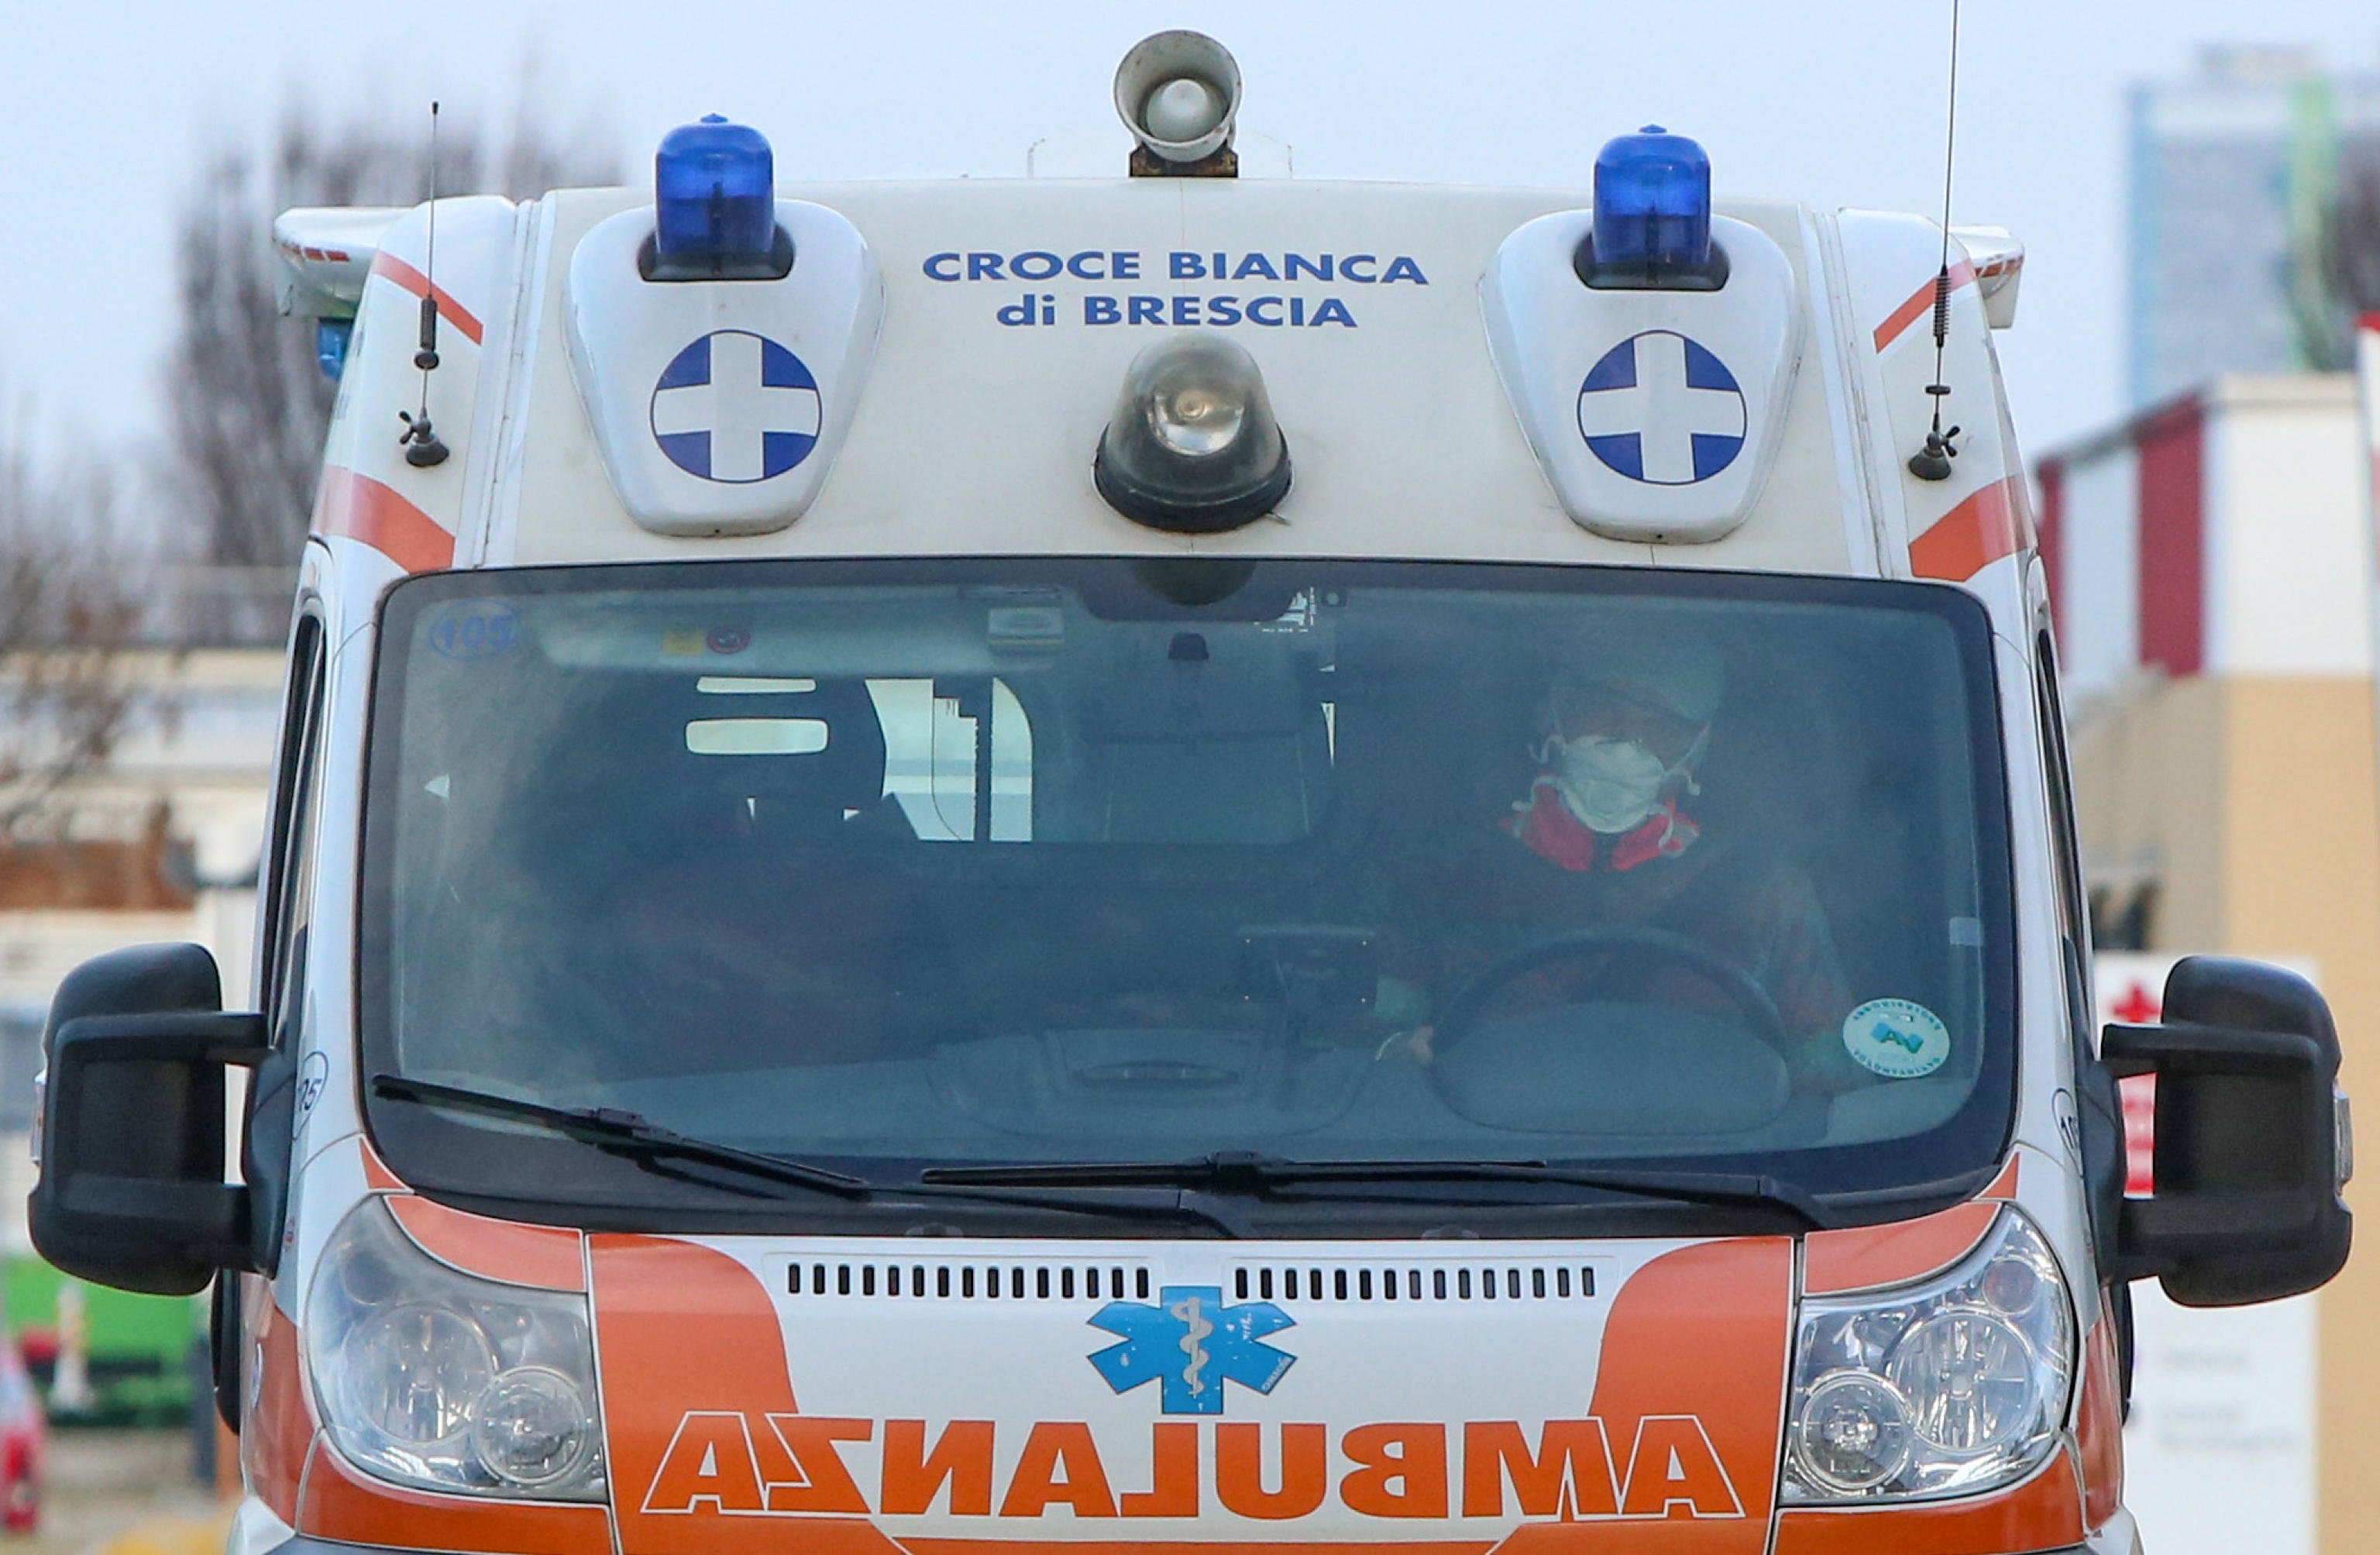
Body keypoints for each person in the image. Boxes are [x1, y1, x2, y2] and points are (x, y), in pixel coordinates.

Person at [1388, 633, 1863, 1094]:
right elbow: (1374, 1029)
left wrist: (1777, 1080)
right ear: (1554, 713)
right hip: (1488, 1154)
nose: (1627, 740)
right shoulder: (1453, 871)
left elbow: (1829, 1075)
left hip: (1706, 1159)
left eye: (1661, 725)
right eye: (1602, 708)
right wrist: (1398, 1051)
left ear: (1697, 750)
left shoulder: (1764, 891)